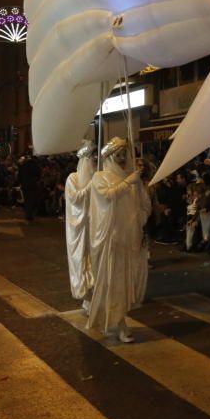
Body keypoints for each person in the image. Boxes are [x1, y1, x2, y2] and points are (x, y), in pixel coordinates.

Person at [86, 137, 151, 343]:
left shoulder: (130, 177)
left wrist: (139, 187)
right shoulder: (100, 177)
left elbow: (143, 206)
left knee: (125, 283)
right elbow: (106, 196)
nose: (123, 159)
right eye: (119, 155)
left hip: (128, 238)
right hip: (110, 240)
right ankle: (119, 323)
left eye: (125, 154)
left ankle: (117, 320)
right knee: (113, 282)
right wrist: (127, 183)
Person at [64, 141, 96, 304]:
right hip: (79, 227)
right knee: (82, 259)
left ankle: (93, 296)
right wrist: (91, 185)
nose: (93, 163)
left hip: (94, 226)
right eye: (90, 159)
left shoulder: (97, 177)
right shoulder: (72, 178)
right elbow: (75, 198)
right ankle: (86, 295)